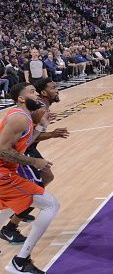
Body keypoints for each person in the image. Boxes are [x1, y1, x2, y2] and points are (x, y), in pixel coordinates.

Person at [0, 83, 60, 273]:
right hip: (3, 174)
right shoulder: (19, 117)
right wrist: (34, 162)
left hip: (6, 172)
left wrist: (41, 128)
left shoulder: (25, 117)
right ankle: (20, 261)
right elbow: (2, 151)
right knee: (51, 205)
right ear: (21, 99)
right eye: (32, 92)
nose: (38, 95)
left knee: (7, 207)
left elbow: (24, 144)